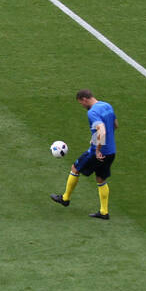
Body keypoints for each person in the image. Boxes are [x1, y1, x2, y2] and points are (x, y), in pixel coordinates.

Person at [50, 89, 116, 220]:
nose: (82, 106)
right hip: (111, 152)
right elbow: (115, 125)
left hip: (97, 153)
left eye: (81, 103)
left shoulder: (92, 112)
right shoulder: (107, 105)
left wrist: (97, 150)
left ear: (85, 99)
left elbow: (101, 131)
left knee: (75, 168)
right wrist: (97, 137)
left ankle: (65, 198)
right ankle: (104, 212)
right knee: (101, 179)